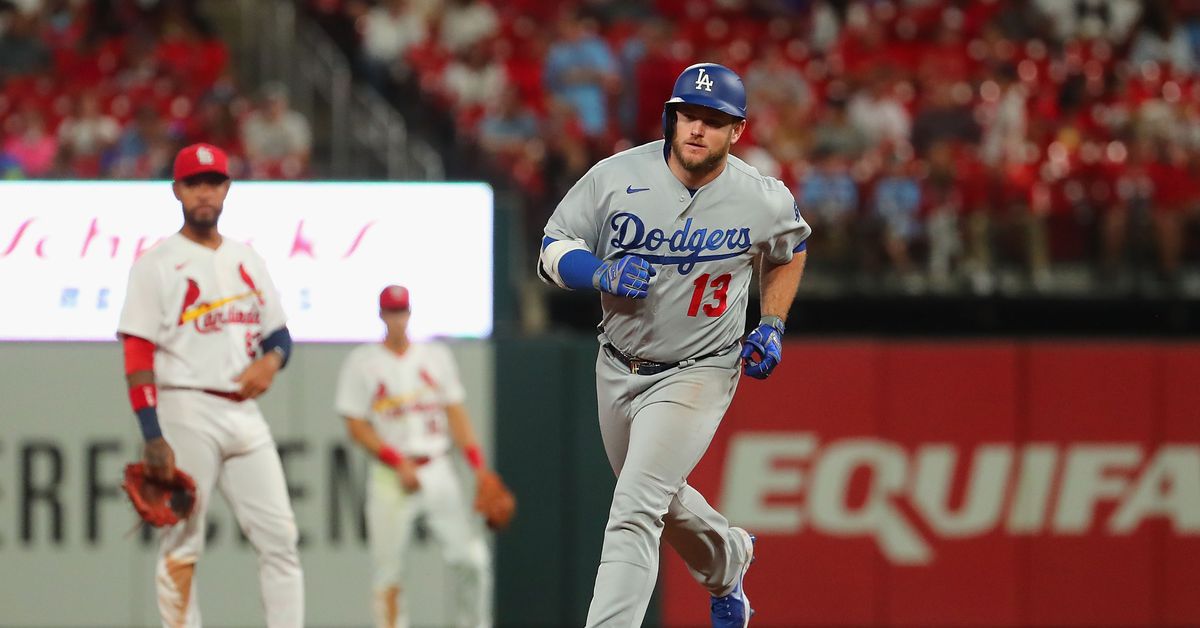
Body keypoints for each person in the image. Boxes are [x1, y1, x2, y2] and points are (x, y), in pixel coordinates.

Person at [537, 62, 811, 627]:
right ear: (671, 117)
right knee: (661, 497)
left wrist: (773, 322)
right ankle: (727, 559)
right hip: (616, 364)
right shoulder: (617, 175)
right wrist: (599, 273)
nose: (696, 129)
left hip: (699, 368)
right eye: (688, 115)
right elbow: (552, 247)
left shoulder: (760, 197)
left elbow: (791, 249)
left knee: (635, 508)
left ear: (737, 131)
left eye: (713, 121)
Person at [116, 143, 304, 627]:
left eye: (214, 182)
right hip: (186, 406)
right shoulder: (156, 263)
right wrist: (152, 431)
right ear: (177, 190)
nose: (205, 192)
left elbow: (279, 334)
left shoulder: (248, 258)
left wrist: (273, 361)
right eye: (194, 183)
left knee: (281, 538)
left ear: (227, 189)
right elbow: (137, 352)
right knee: (182, 543)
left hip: (243, 412)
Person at [335, 285, 494, 628]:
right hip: (390, 476)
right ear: (381, 315)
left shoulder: (435, 357)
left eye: (402, 311)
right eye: (391, 312)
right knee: (388, 573)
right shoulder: (363, 363)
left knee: (472, 560)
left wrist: (478, 468)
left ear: (409, 313)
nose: (397, 319)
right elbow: (355, 424)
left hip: (436, 466)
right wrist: (396, 461)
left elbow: (457, 414)